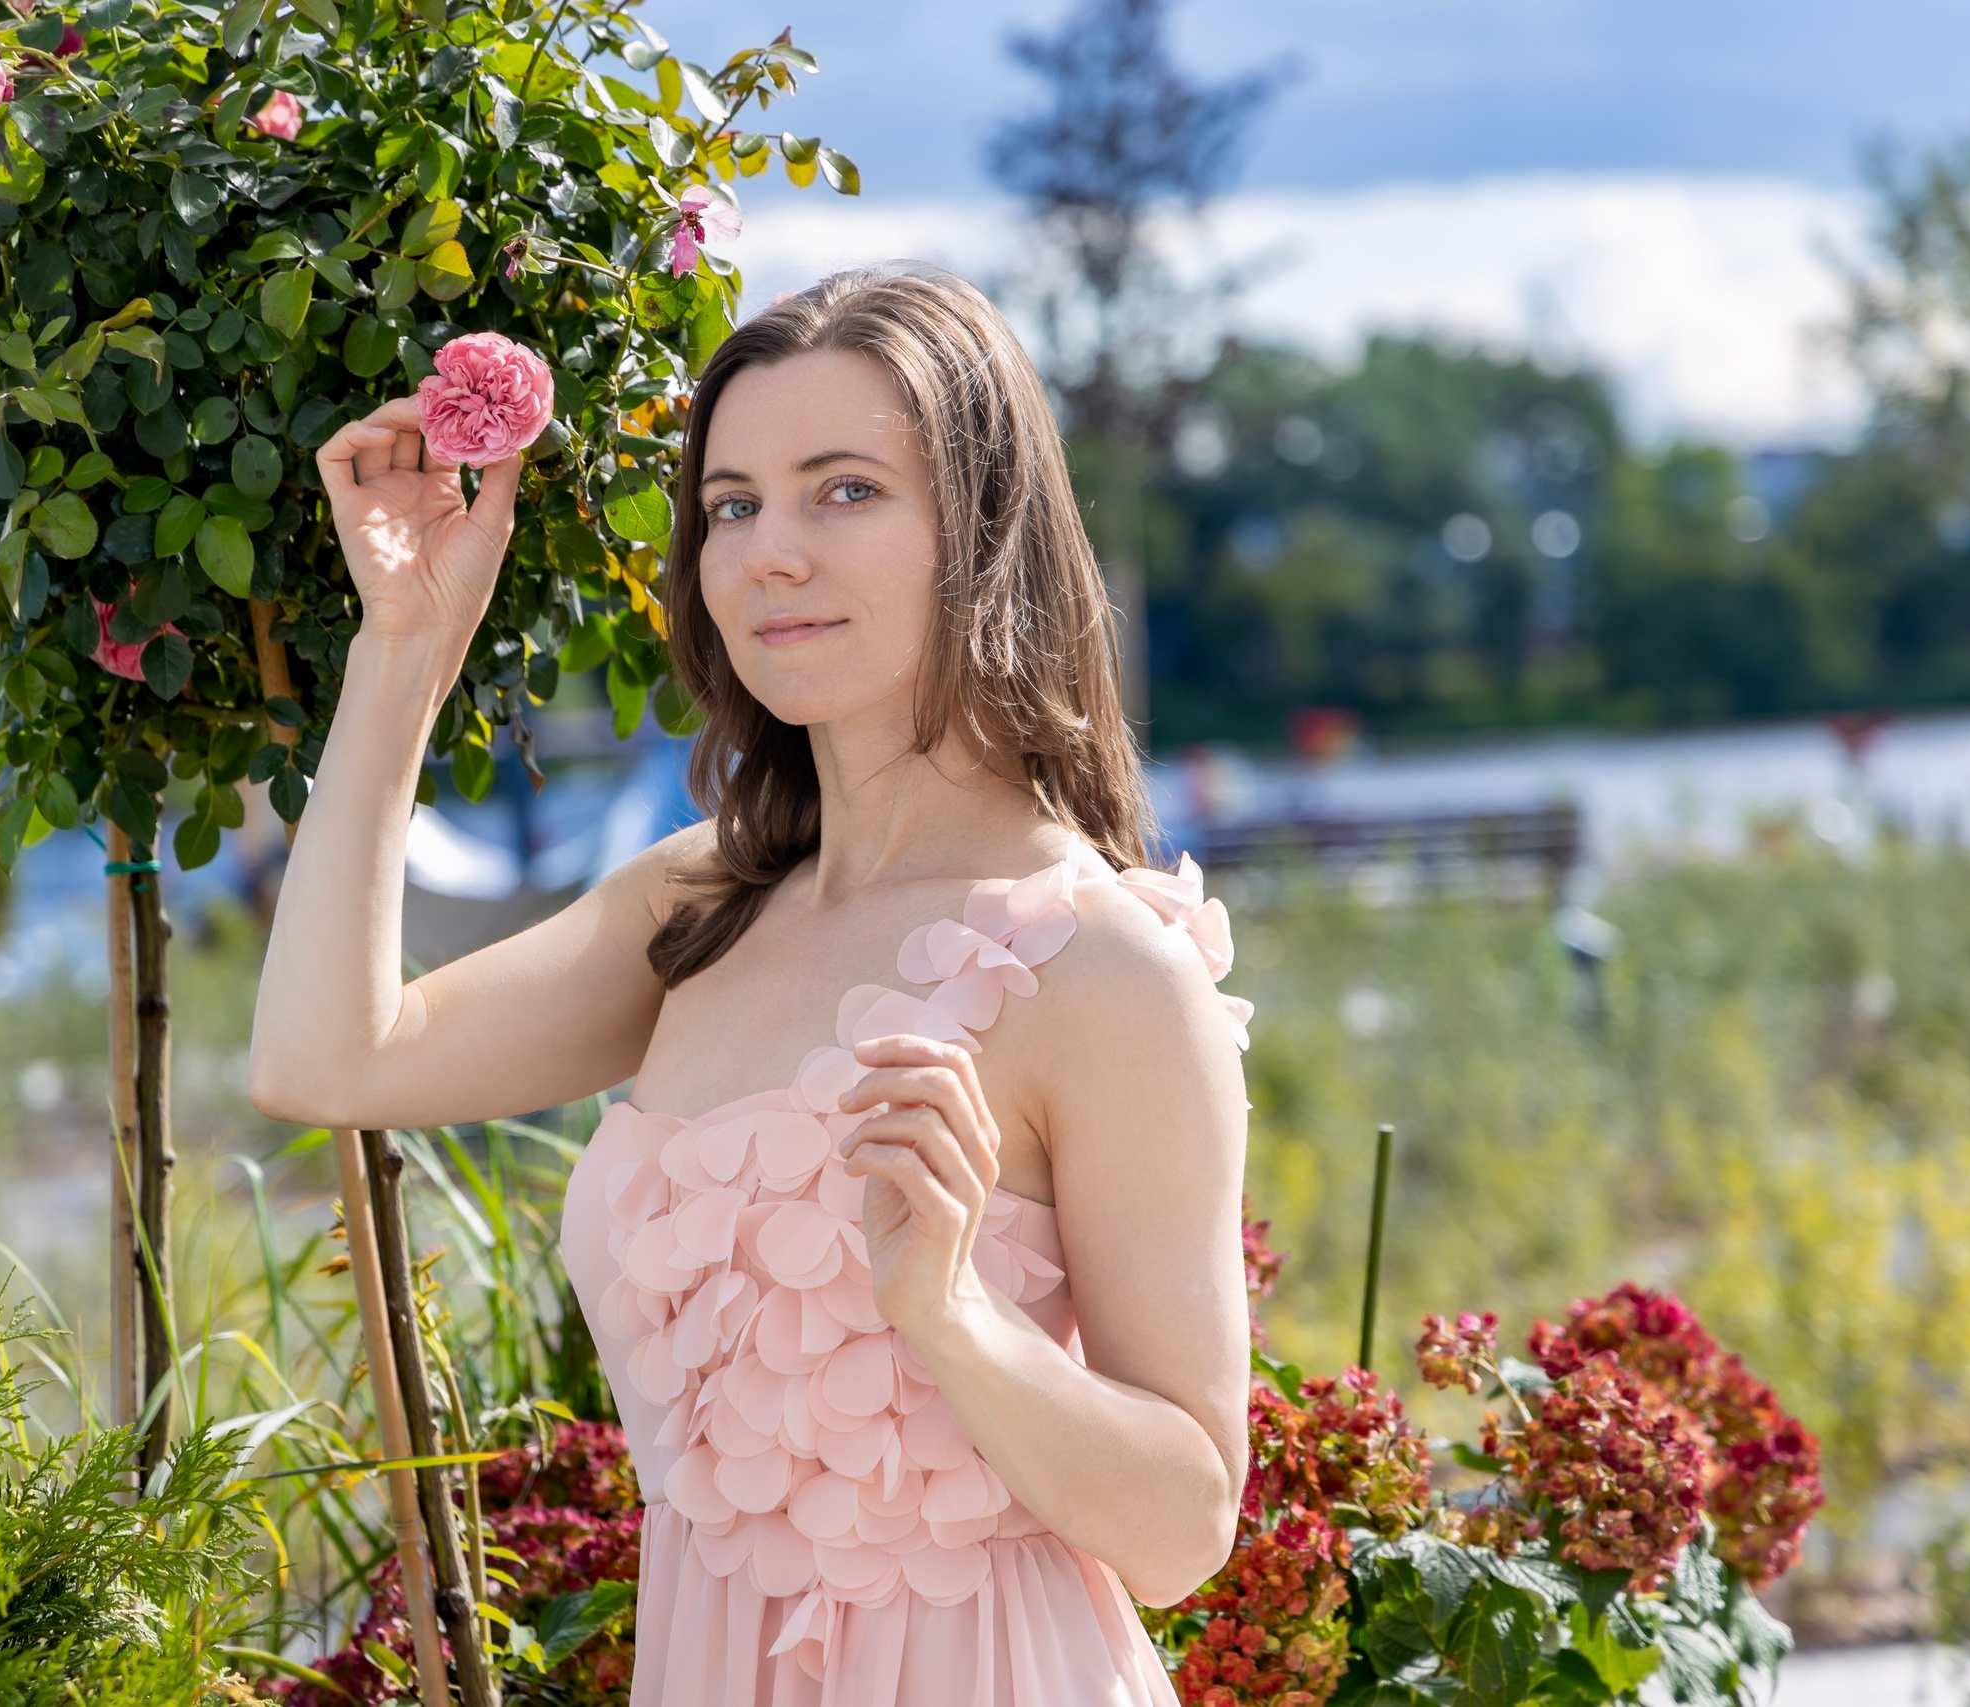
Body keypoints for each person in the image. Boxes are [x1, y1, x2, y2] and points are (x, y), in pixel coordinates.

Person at [251, 265, 1254, 1707]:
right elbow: (322, 1062)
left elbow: (1183, 1528)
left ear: (980, 525)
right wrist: (409, 647)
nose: (770, 553)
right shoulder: (699, 903)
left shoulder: (1102, 967)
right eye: (732, 506)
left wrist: (953, 1314)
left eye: (844, 491)